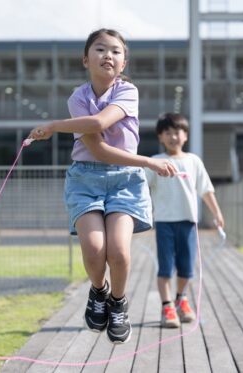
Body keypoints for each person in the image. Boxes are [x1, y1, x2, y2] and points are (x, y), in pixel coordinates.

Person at [28, 29, 177, 344]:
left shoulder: (127, 92)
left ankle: (119, 303)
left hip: (124, 179)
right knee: (95, 249)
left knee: (119, 251)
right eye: (99, 49)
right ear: (86, 59)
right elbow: (96, 149)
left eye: (115, 51)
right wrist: (148, 162)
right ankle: (98, 291)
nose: (108, 55)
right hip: (86, 179)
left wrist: (53, 126)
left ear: (123, 63)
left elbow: (98, 124)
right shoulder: (78, 98)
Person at [144, 113, 225, 328]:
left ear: (186, 136)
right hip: (164, 223)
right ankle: (167, 306)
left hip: (188, 223)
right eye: (167, 133)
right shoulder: (155, 162)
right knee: (165, 268)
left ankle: (181, 298)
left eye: (177, 132)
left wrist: (217, 213)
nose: (173, 137)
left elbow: (206, 190)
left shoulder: (193, 161)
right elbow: (141, 187)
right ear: (160, 137)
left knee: (187, 268)